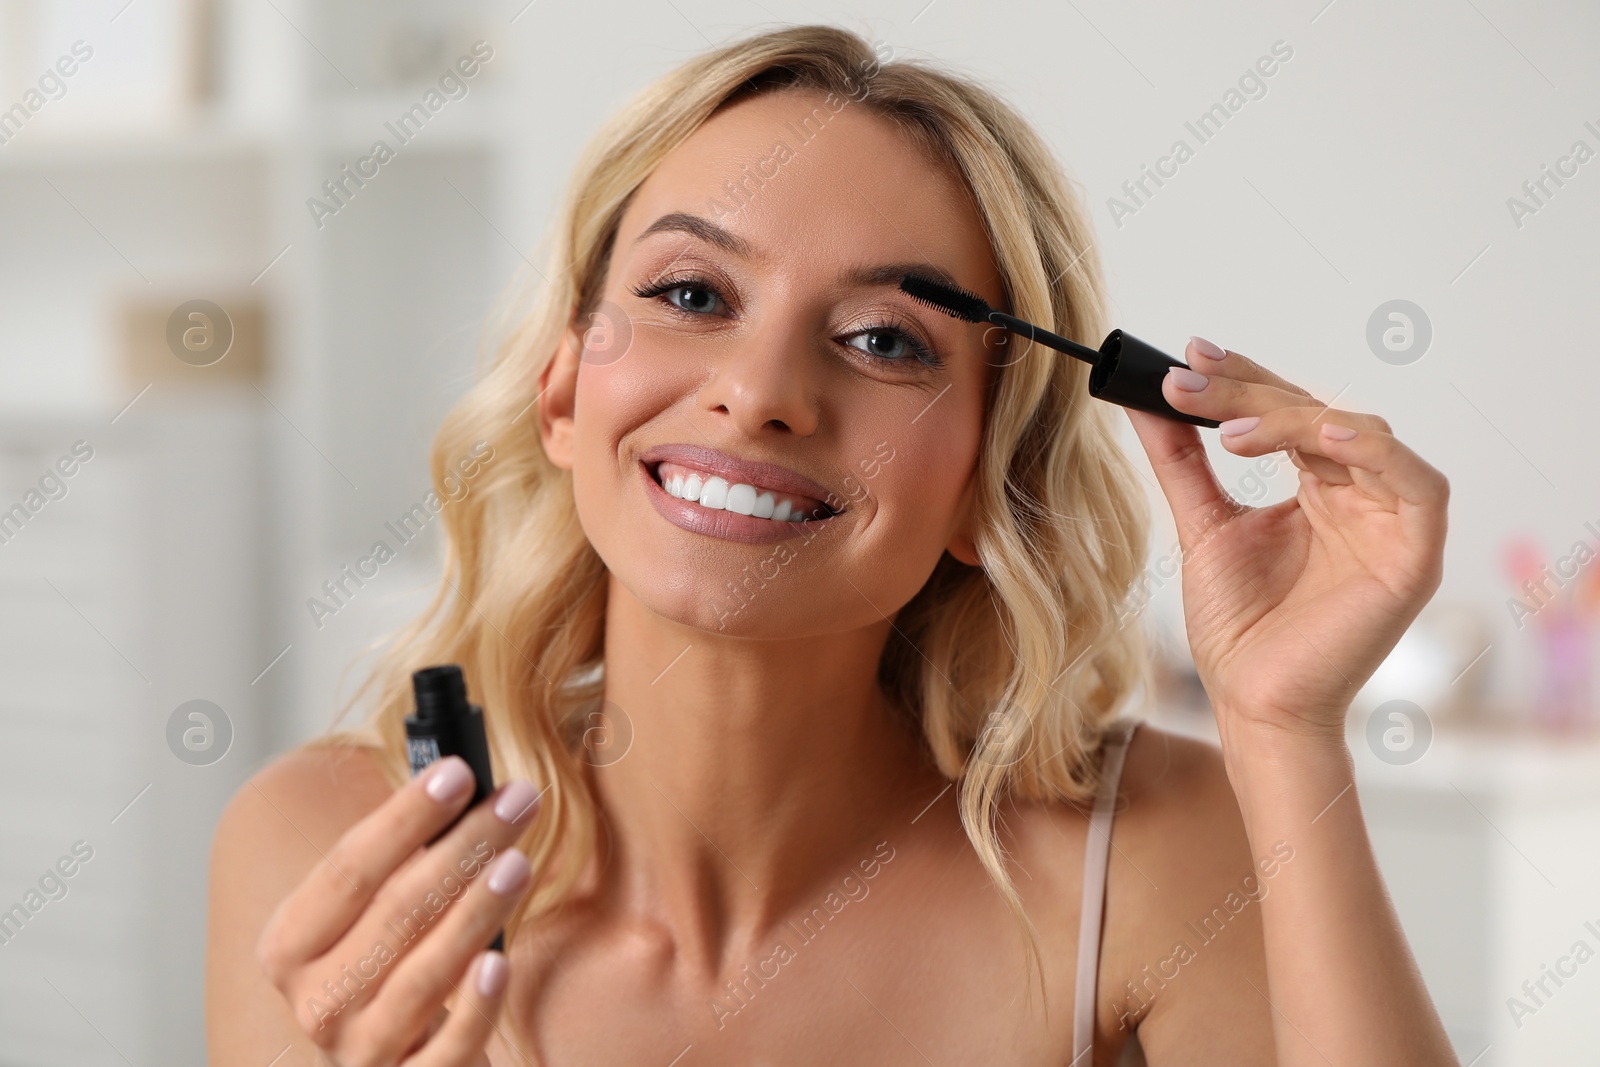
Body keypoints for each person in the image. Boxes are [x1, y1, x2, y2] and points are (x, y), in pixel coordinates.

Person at [206, 23, 1457, 1066]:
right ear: (562, 394)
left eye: (884, 338)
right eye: (691, 293)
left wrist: (1288, 731)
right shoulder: (326, 851)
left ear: (986, 484)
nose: (759, 392)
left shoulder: (1155, 851)